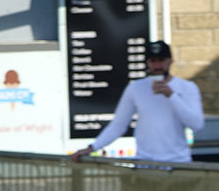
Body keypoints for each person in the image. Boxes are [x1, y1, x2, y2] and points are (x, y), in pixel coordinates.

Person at [72, 41, 203, 163]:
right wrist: (92, 148)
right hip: (146, 164)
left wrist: (171, 95)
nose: (157, 66)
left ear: (170, 61)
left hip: (179, 164)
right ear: (147, 63)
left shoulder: (187, 87)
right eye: (153, 61)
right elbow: (118, 125)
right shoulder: (136, 88)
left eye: (162, 60)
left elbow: (197, 125)